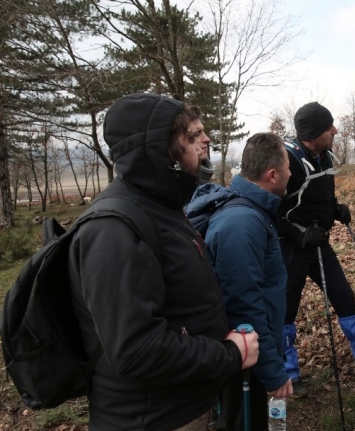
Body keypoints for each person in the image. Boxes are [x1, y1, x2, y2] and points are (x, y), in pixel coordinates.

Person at [68, 93, 259, 431]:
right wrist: (229, 354)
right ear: (160, 150)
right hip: (154, 419)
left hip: (184, 406)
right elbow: (137, 349)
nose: (206, 140)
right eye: (191, 136)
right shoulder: (114, 228)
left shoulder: (160, 207)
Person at [279, 102, 355, 397]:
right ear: (311, 134)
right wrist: (301, 234)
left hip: (319, 244)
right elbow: (273, 211)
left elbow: (318, 196)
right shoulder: (289, 161)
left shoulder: (325, 155)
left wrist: (335, 209)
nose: (334, 130)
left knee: (345, 299)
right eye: (328, 127)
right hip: (291, 250)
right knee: (285, 312)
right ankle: (287, 375)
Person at [186, 133, 293, 430]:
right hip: (244, 360)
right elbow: (243, 304)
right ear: (272, 175)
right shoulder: (242, 223)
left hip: (251, 353)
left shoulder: (254, 212)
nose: (291, 172)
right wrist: (271, 371)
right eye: (287, 166)